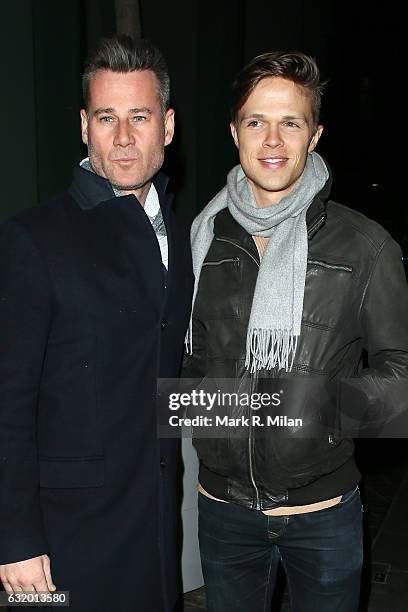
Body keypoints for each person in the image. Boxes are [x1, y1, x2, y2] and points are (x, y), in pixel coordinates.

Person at [184, 51, 408, 611]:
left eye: (292, 122)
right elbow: (190, 362)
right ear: (235, 130)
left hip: (323, 516)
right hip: (222, 511)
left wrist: (321, 408)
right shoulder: (203, 237)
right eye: (256, 121)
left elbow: (402, 379)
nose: (273, 140)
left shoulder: (366, 246)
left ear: (316, 134)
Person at [0, 35, 193, 611]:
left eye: (141, 116)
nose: (126, 137)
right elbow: (7, 402)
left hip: (155, 522)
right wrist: (14, 537)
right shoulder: (32, 239)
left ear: (169, 125)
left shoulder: (181, 235)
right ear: (85, 126)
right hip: (59, 541)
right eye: (108, 118)